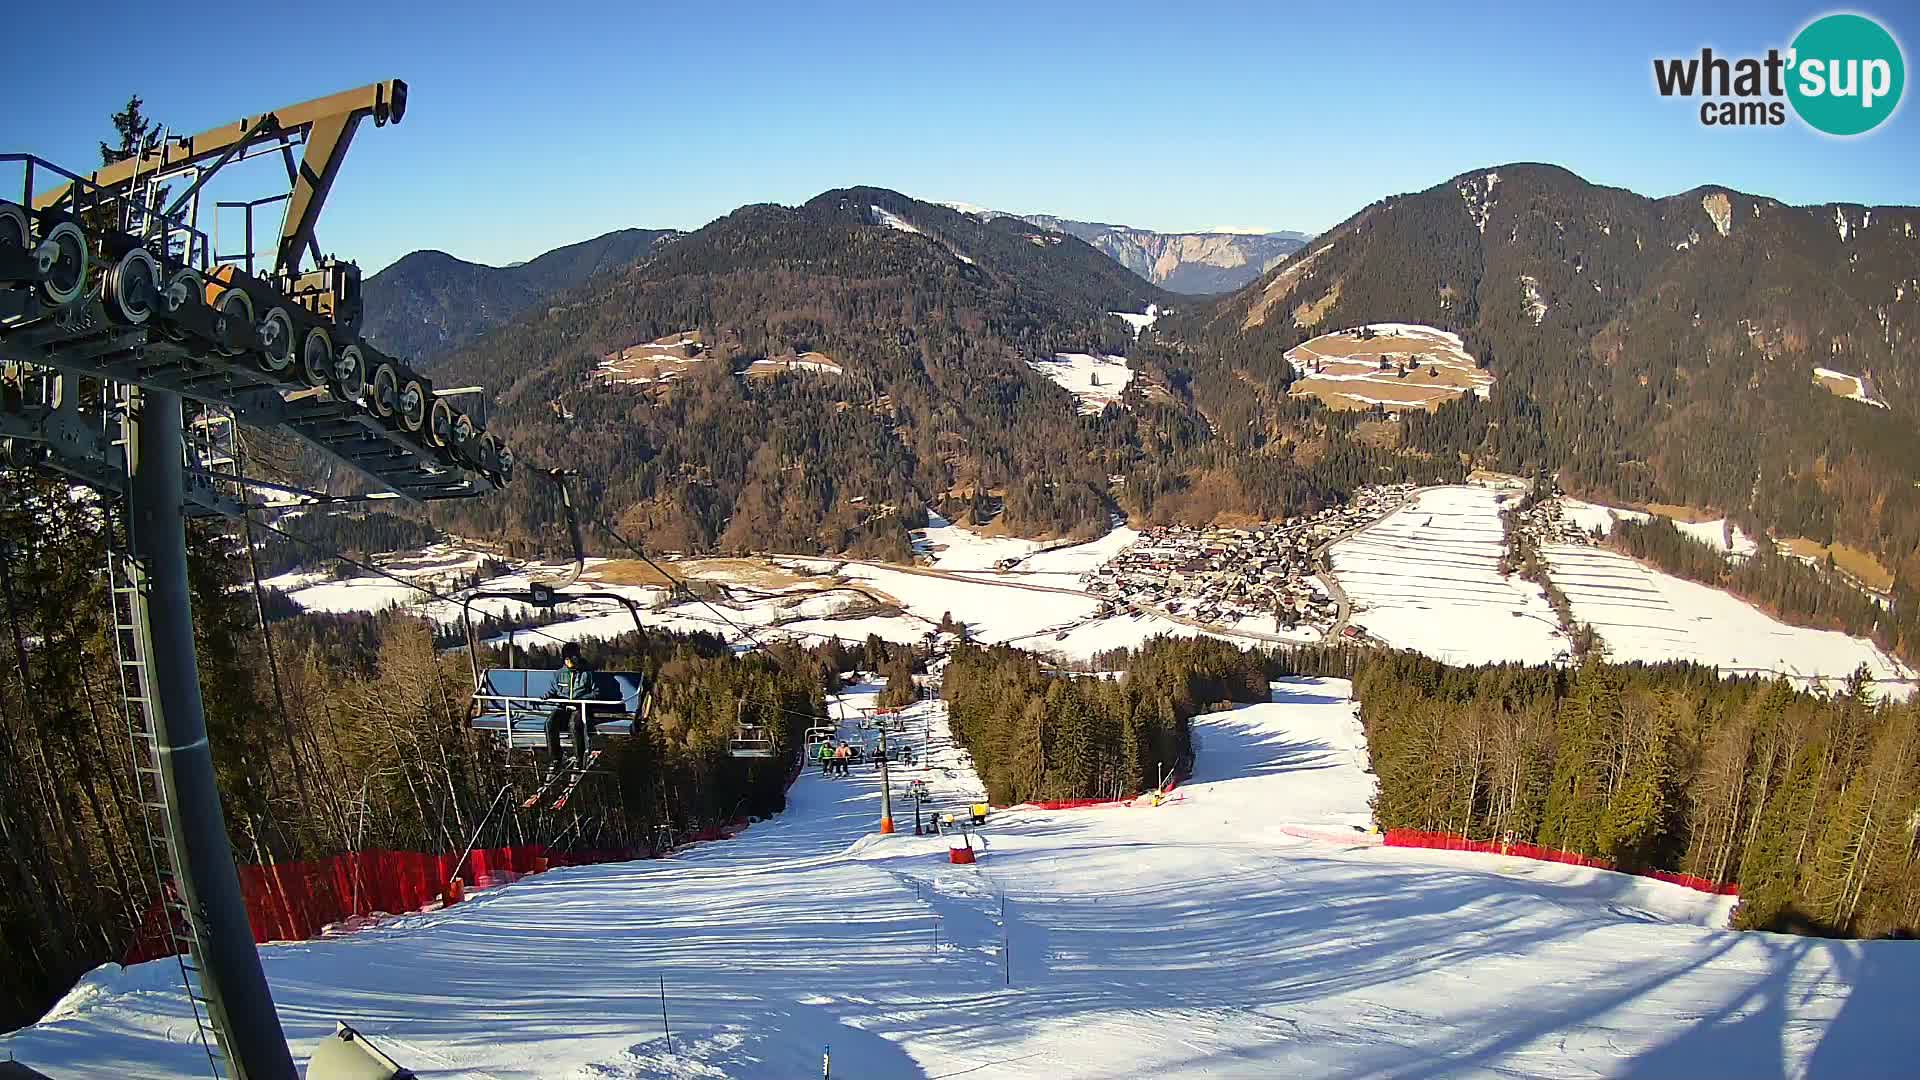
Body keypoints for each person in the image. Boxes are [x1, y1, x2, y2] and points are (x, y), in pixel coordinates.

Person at [543, 642, 598, 780]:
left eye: (572, 658)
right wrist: (549, 695)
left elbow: (595, 692)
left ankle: (579, 759)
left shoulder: (586, 673)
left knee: (575, 724)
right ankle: (556, 759)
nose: (570, 662)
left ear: (577, 657)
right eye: (567, 659)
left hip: (581, 707)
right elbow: (555, 690)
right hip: (564, 707)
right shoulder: (560, 674)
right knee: (550, 723)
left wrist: (581, 700)